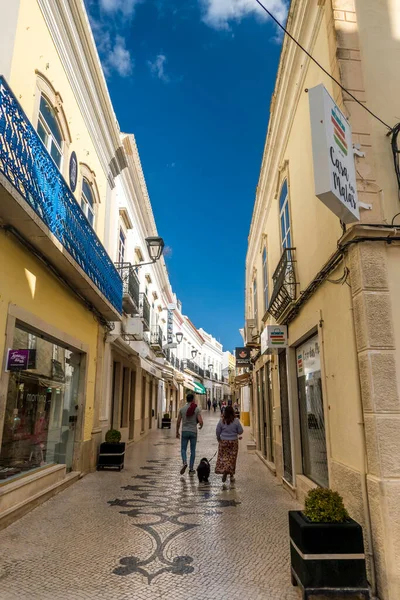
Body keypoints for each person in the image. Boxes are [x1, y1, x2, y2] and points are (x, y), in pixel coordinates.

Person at [215, 405, 243, 484]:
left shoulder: (221, 421)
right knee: (232, 459)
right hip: (233, 442)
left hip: (223, 441)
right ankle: (231, 475)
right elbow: (240, 431)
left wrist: (219, 439)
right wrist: (236, 432)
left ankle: (225, 471)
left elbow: (217, 431)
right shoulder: (236, 421)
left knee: (224, 458)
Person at [176, 393, 203, 475]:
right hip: (193, 432)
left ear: (186, 399)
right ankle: (191, 469)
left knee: (183, 449)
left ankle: (184, 462)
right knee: (192, 450)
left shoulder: (182, 409)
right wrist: (200, 426)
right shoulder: (196, 409)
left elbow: (178, 422)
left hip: (184, 431)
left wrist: (177, 431)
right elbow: (201, 421)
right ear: (193, 400)